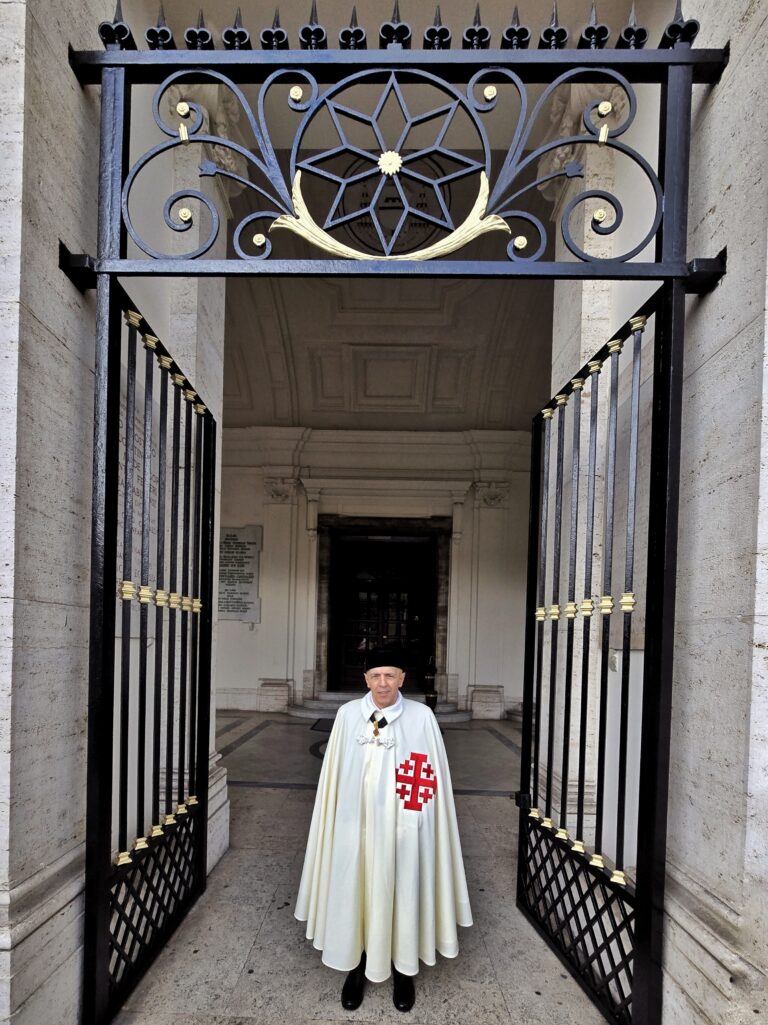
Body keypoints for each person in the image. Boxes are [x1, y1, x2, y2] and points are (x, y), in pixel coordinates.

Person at [294, 647, 472, 1013]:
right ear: (366, 680)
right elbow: (334, 777)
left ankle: (402, 969)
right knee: (354, 889)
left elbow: (429, 774)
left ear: (402, 678)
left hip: (402, 828)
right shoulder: (346, 716)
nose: (382, 683)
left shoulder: (421, 718)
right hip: (354, 828)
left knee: (402, 889)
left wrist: (413, 821)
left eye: (390, 675)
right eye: (375, 676)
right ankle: (356, 966)